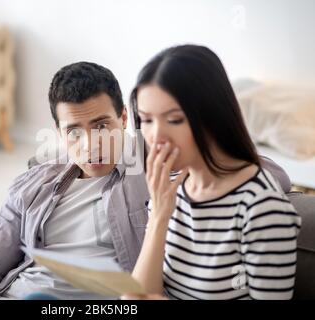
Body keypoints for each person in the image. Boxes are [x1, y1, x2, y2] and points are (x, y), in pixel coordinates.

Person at [0, 61, 292, 300]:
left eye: (102, 125)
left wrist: (161, 144)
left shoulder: (154, 163)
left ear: (124, 118)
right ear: (58, 132)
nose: (90, 143)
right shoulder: (35, 185)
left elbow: (274, 174)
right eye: (74, 131)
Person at [128, 45, 301, 300]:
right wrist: (159, 217)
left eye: (174, 119)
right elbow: (137, 297)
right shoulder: (169, 190)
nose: (156, 137)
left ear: (212, 116)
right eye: (147, 120)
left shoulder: (262, 208)